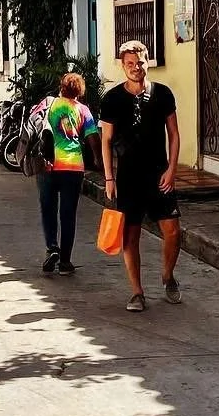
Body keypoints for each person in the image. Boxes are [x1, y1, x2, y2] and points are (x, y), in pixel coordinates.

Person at [99, 41, 182, 313]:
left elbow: (174, 134)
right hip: (128, 178)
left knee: (172, 231)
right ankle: (137, 292)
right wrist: (109, 179)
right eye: (130, 64)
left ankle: (168, 276)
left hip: (159, 174)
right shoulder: (112, 99)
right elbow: (106, 140)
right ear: (123, 66)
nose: (136, 68)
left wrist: (171, 169)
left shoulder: (162, 94)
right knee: (130, 236)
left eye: (140, 62)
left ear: (148, 61)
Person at [33, 71, 98, 278]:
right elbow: (92, 137)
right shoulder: (83, 110)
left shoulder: (48, 104)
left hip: (47, 165)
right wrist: (99, 160)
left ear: (61, 87)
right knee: (68, 214)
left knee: (48, 209)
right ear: (80, 91)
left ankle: (52, 247)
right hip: (72, 168)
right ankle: (65, 262)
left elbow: (33, 124)